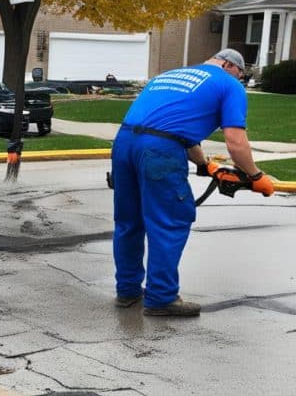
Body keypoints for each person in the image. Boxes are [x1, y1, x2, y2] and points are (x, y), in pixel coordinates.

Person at [112, 48, 274, 317]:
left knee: (129, 221)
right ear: (227, 65)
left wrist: (204, 165)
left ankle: (127, 290)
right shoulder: (228, 84)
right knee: (170, 221)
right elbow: (235, 141)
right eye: (240, 74)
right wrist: (255, 176)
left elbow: (177, 132)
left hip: (124, 143)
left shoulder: (170, 75)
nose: (240, 79)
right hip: (158, 151)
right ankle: (161, 298)